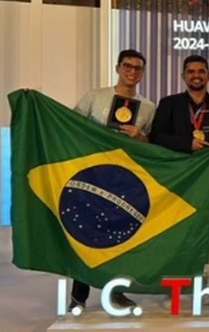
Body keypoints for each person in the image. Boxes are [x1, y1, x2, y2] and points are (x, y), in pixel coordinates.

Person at [70, 49, 155, 311]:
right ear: (118, 68)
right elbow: (71, 124)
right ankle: (78, 296)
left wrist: (140, 137)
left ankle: (116, 292)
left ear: (142, 73)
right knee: (86, 233)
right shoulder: (95, 96)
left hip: (125, 180)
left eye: (138, 68)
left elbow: (152, 144)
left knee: (121, 236)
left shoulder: (148, 107)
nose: (132, 71)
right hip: (92, 175)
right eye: (127, 66)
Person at [149, 54, 209, 282]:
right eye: (191, 71)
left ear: (208, 76)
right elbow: (157, 137)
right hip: (179, 180)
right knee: (176, 232)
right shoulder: (169, 104)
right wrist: (187, 143)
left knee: (205, 234)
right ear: (183, 76)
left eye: (201, 71)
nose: (196, 75)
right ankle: (175, 283)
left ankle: (203, 281)